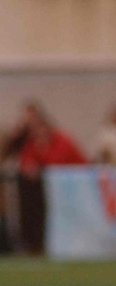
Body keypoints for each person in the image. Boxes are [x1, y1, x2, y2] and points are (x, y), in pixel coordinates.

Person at [2, 101, 88, 254]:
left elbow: (65, 160)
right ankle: (34, 244)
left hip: (70, 186)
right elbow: (25, 160)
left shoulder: (61, 139)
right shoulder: (28, 142)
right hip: (44, 188)